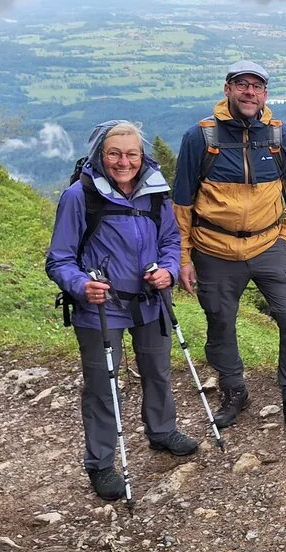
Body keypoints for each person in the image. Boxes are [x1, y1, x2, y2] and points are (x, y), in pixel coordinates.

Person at [46, 120, 199, 502]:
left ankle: (162, 431)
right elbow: (59, 259)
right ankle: (101, 463)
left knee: (158, 371)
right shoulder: (79, 196)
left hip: (149, 299)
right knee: (102, 386)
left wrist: (166, 270)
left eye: (131, 154)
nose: (123, 162)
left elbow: (169, 240)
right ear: (101, 154)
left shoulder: (155, 192)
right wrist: (82, 286)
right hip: (99, 306)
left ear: (141, 155)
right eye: (114, 153)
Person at [172, 59, 286, 432]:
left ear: (265, 94)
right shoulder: (201, 138)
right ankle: (234, 391)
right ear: (228, 89)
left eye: (257, 86)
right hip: (214, 249)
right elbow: (181, 203)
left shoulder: (278, 136)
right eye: (242, 85)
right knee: (220, 322)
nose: (249, 92)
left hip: (268, 245)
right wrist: (184, 256)